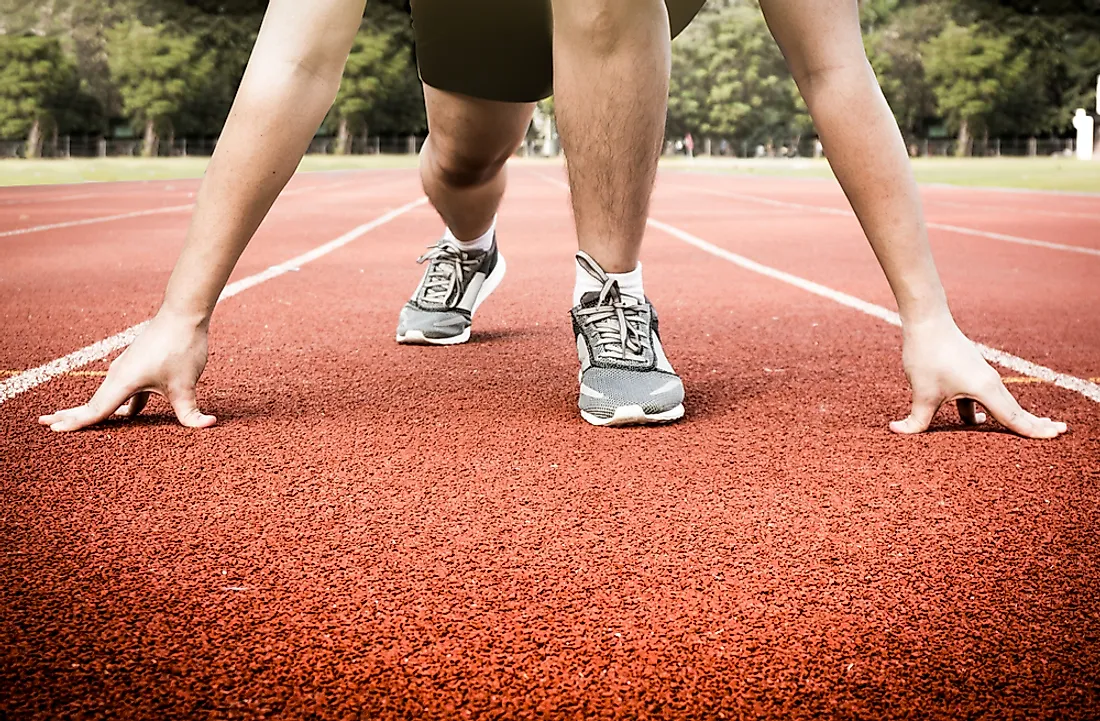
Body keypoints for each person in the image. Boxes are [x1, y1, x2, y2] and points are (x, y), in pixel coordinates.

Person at [40, 0, 1067, 440]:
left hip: (618, 20)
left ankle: (607, 291)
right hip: (473, 15)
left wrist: (925, 317)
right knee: (462, 156)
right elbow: (295, 60)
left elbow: (832, 63)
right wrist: (183, 311)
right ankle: (467, 245)